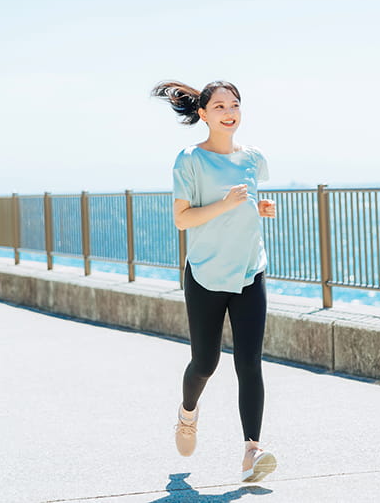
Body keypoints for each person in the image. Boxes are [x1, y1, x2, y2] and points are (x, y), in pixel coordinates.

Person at [152, 80, 277, 483]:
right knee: (206, 362)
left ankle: (252, 452)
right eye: (220, 105)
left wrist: (260, 208)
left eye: (235, 104)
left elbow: (246, 204)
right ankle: (187, 414)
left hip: (248, 271)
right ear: (203, 114)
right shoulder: (189, 159)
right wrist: (224, 205)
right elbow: (182, 219)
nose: (229, 111)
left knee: (250, 364)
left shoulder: (253, 158)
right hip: (206, 273)